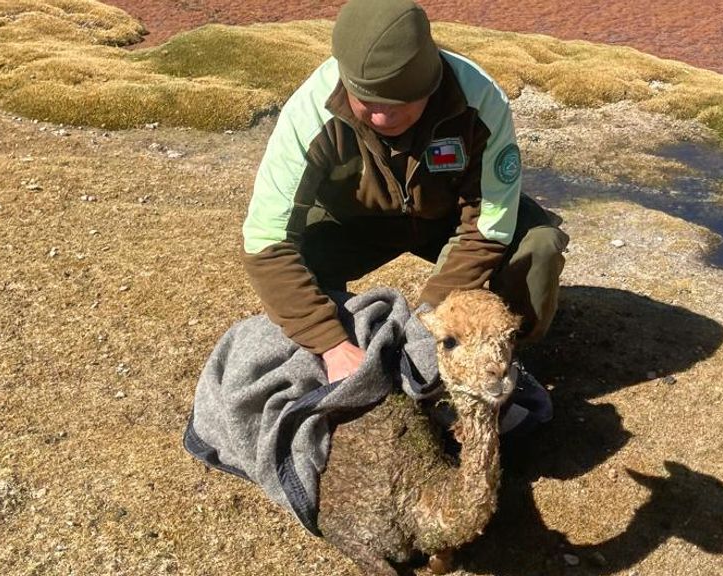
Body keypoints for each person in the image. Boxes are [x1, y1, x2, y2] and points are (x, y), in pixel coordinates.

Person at [242, 0, 568, 384]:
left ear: (430, 84)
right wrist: (329, 343)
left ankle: (505, 354)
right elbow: (266, 242)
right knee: (298, 255)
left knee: (538, 245)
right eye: (367, 102)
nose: (382, 118)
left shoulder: (479, 99)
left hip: (447, 220)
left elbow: (487, 226)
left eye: (399, 104)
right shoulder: (309, 112)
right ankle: (338, 354)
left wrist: (428, 320)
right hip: (354, 223)